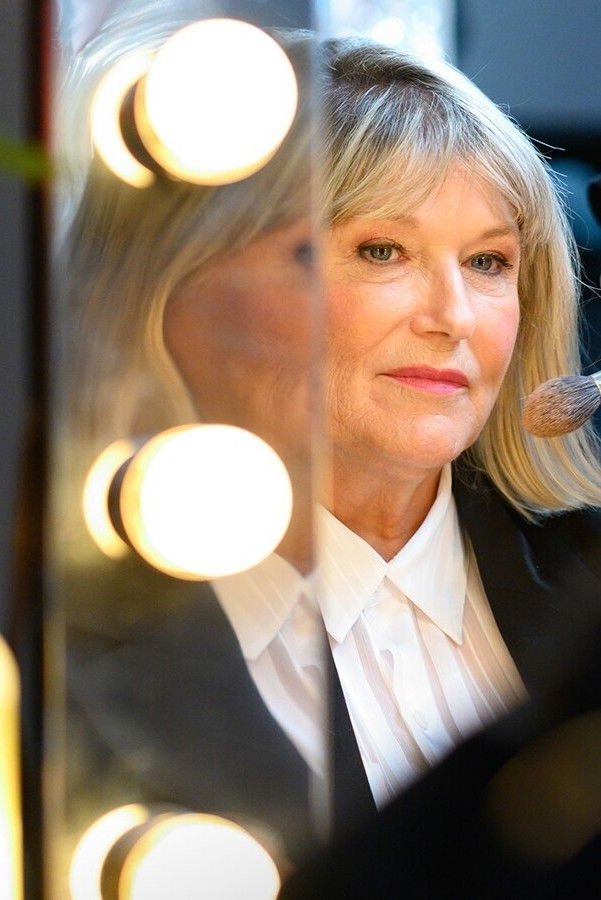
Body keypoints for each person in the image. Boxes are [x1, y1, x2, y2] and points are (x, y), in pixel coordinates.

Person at [58, 16, 601, 889]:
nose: (452, 317)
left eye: (488, 262)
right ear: (177, 282)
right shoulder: (55, 632)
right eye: (380, 250)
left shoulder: (583, 586)